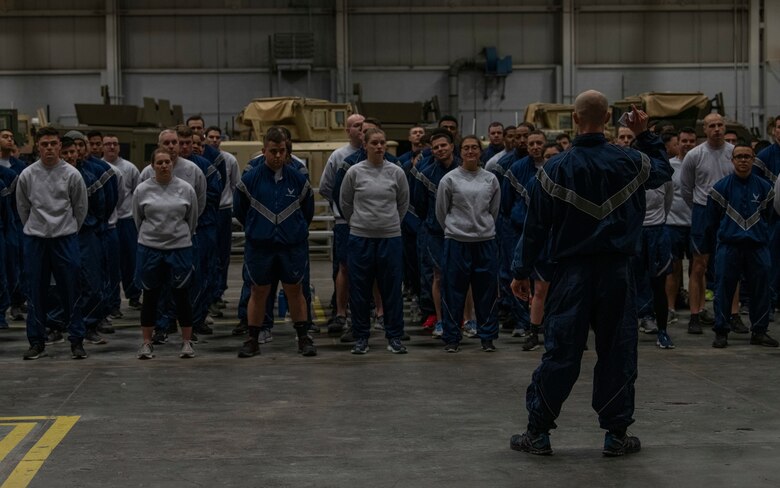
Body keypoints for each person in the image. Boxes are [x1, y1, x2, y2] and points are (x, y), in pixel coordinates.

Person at [509, 91, 672, 457]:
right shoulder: (632, 162)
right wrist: (645, 135)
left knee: (562, 352)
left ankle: (538, 433)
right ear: (611, 117)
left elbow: (535, 227)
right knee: (618, 351)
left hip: (572, 274)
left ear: (575, 119)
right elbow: (663, 171)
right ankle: (616, 435)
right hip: (617, 273)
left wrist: (521, 270)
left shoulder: (553, 169)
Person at [235, 127, 316, 358]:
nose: (278, 156)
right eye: (273, 151)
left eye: (282, 151)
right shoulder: (249, 180)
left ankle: (303, 338)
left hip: (292, 247)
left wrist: (292, 231)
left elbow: (307, 212)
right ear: (264, 151)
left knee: (295, 289)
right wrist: (260, 229)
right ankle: (253, 339)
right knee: (258, 291)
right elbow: (240, 211)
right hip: (260, 247)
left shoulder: (300, 180)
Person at [16, 127, 88, 360]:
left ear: (60, 146)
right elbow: (23, 209)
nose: (49, 148)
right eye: (44, 144)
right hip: (36, 240)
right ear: (38, 146)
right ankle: (37, 341)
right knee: (35, 291)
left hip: (65, 239)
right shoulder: (27, 175)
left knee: (71, 290)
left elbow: (80, 208)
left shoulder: (72, 174)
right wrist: (38, 228)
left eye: (53, 144)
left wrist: (65, 229)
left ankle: (76, 340)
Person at [339, 128, 409, 354]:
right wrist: (360, 223)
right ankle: (361, 337)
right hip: (360, 238)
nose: (379, 147)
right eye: (375, 143)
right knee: (359, 290)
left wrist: (388, 223)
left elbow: (403, 204)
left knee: (392, 290)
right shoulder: (355, 172)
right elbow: (346, 203)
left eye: (382, 143)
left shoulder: (396, 172)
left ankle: (395, 336)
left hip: (390, 238)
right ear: (365, 146)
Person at [705, 144, 778, 348]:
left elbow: (770, 217)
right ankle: (721, 331)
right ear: (732, 160)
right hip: (729, 246)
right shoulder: (720, 188)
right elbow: (711, 221)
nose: (743, 160)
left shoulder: (765, 188)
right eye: (739, 157)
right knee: (723, 290)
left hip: (757, 247)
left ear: (753, 159)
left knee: (761, 289)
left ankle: (760, 331)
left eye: (747, 156)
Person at [436, 135, 500, 352]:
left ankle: (487, 337)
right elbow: (441, 212)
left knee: (487, 292)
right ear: (459, 151)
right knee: (453, 292)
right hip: (457, 242)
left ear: (480, 151)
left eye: (474, 148)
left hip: (485, 242)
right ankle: (452, 338)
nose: (470, 151)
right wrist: (457, 229)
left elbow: (494, 210)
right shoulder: (450, 179)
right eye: (466, 148)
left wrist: (482, 227)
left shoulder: (490, 179)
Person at [133, 148, 199, 359]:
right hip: (150, 249)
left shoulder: (186, 189)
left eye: (167, 162)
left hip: (179, 249)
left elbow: (192, 219)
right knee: (150, 296)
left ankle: (187, 342)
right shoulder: (142, 190)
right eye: (159, 162)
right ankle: (146, 343)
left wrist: (178, 238)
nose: (163, 166)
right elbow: (138, 218)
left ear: (172, 164)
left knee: (181, 296)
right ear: (152, 166)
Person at [680, 114, 735, 334]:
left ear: (725, 127)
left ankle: (734, 313)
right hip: (703, 210)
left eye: (720, 125)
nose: (717, 129)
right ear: (705, 129)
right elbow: (686, 188)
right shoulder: (694, 155)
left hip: (728, 213)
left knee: (732, 264)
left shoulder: (734, 153)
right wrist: (699, 209)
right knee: (699, 265)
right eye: (712, 126)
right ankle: (695, 313)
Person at [510, 142, 563, 352]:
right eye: (547, 156)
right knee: (540, 290)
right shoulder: (535, 182)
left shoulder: (572, 180)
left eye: (555, 155)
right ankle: (533, 331)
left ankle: (564, 331)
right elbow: (530, 222)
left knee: (566, 292)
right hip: (543, 244)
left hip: (564, 245)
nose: (550, 159)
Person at [319, 113, 365, 334]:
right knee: (343, 267)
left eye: (363, 125)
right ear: (348, 131)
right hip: (346, 222)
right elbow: (327, 187)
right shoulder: (339, 156)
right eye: (356, 126)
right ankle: (340, 312)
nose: (361, 129)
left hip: (371, 223)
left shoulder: (374, 153)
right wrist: (342, 209)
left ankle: (371, 311)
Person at [103, 134, 142, 311]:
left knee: (130, 260)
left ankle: (134, 295)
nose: (111, 147)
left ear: (119, 147)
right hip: (108, 222)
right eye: (108, 144)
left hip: (127, 221)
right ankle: (112, 302)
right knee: (110, 264)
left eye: (114, 144)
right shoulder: (100, 168)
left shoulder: (130, 168)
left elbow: (137, 192)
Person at [665, 128, 696, 321]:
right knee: (673, 269)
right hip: (673, 224)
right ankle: (670, 308)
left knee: (697, 269)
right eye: (683, 141)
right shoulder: (669, 166)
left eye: (691, 141)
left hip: (695, 224)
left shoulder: (698, 163)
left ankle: (696, 308)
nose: (687, 144)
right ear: (678, 143)